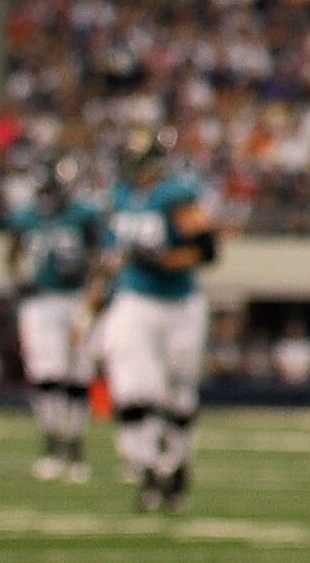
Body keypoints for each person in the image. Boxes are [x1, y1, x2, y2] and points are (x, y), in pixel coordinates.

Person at [92, 127, 219, 513]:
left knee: (178, 392)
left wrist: (162, 261)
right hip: (134, 301)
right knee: (134, 389)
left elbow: (206, 249)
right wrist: (93, 305)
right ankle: (146, 467)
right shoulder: (122, 198)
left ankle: (176, 465)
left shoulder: (176, 194)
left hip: (179, 303)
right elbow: (111, 260)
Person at [6, 156, 103, 481]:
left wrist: (94, 290)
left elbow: (99, 255)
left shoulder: (84, 215)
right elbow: (12, 253)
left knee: (78, 375)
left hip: (76, 298)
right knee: (47, 374)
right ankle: (52, 445)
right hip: (41, 301)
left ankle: (74, 445)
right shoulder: (26, 216)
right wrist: (19, 278)